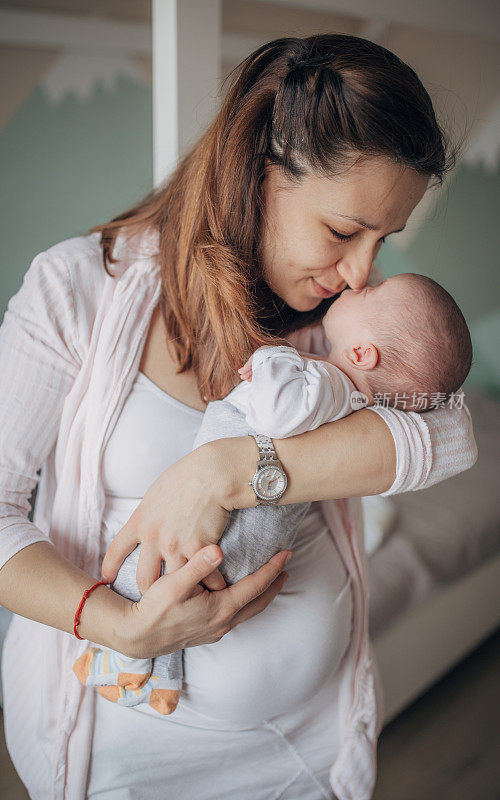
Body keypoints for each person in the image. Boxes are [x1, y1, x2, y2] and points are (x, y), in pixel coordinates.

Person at [0, 34, 478, 800]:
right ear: (258, 174)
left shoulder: (331, 316)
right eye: (344, 232)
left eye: (383, 241)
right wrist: (115, 627)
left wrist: (222, 473)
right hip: (127, 766)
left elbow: (450, 435)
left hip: (306, 757)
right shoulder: (77, 291)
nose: (361, 272)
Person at [71, 272, 472, 715]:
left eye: (371, 292)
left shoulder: (326, 383)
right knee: (175, 599)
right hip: (253, 542)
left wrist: (271, 358)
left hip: (232, 531)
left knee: (146, 578)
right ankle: (162, 676)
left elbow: (278, 413)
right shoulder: (347, 397)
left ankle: (118, 659)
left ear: (361, 352)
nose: (361, 279)